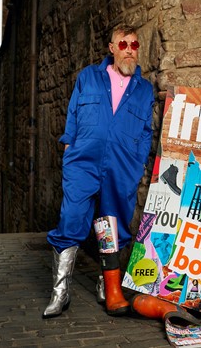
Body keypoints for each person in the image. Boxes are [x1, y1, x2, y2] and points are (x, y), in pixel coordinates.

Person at [42, 24, 154, 318]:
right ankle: (60, 292)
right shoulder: (89, 77)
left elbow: (145, 131)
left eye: (134, 45)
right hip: (83, 162)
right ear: (111, 48)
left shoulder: (144, 89)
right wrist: (69, 149)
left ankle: (107, 284)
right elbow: (73, 115)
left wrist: (137, 161)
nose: (129, 50)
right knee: (71, 219)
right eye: (123, 44)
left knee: (112, 224)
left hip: (121, 166)